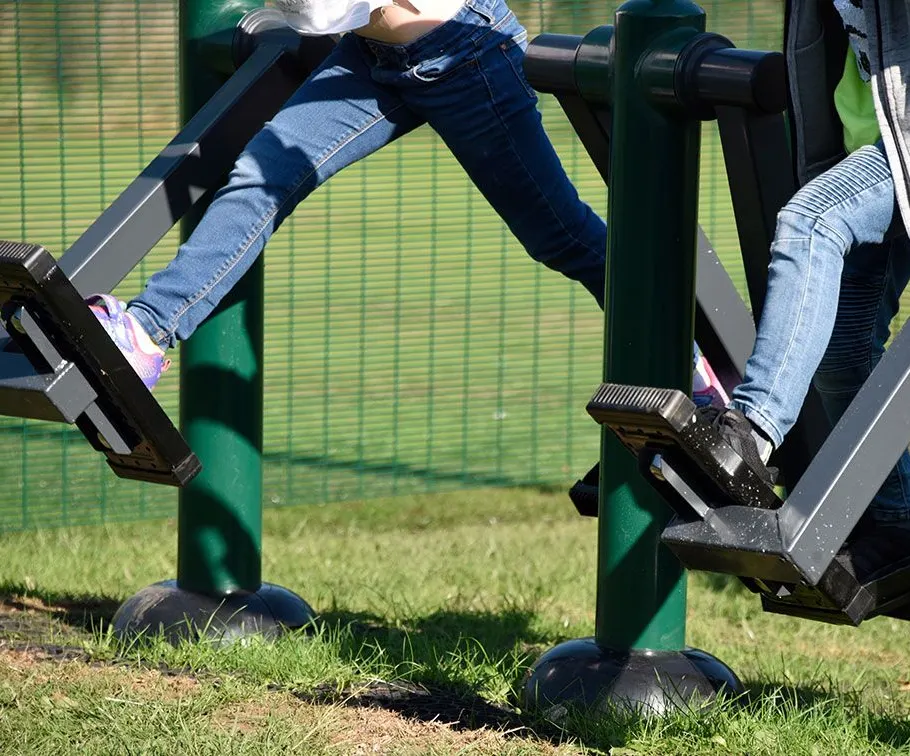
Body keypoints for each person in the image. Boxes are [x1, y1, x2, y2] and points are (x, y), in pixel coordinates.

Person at [86, 1, 725, 403]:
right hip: (369, 57)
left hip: (464, 51)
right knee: (259, 177)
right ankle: (146, 332)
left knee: (560, 236)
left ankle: (685, 367)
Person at [701, 0, 910, 576]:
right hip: (867, 142)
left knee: (813, 221)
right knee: (843, 357)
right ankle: (897, 521)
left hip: (900, 148)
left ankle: (752, 433)